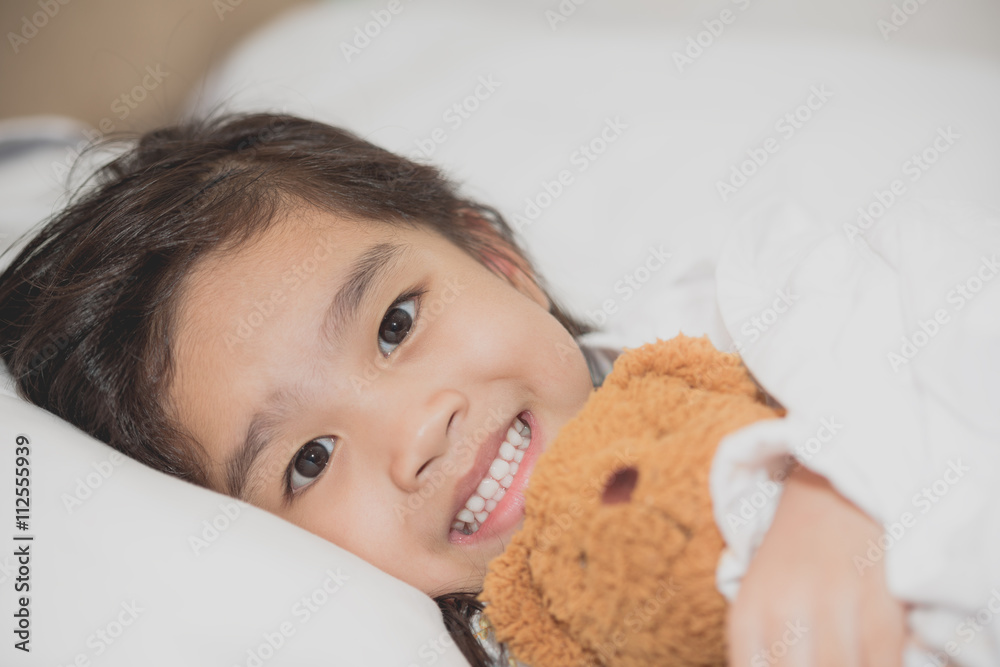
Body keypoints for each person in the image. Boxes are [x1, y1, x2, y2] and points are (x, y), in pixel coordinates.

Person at [0, 112, 904, 666]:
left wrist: (834, 493)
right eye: (309, 461)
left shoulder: (741, 321)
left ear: (497, 262)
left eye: (396, 323)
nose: (419, 432)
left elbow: (917, 295)